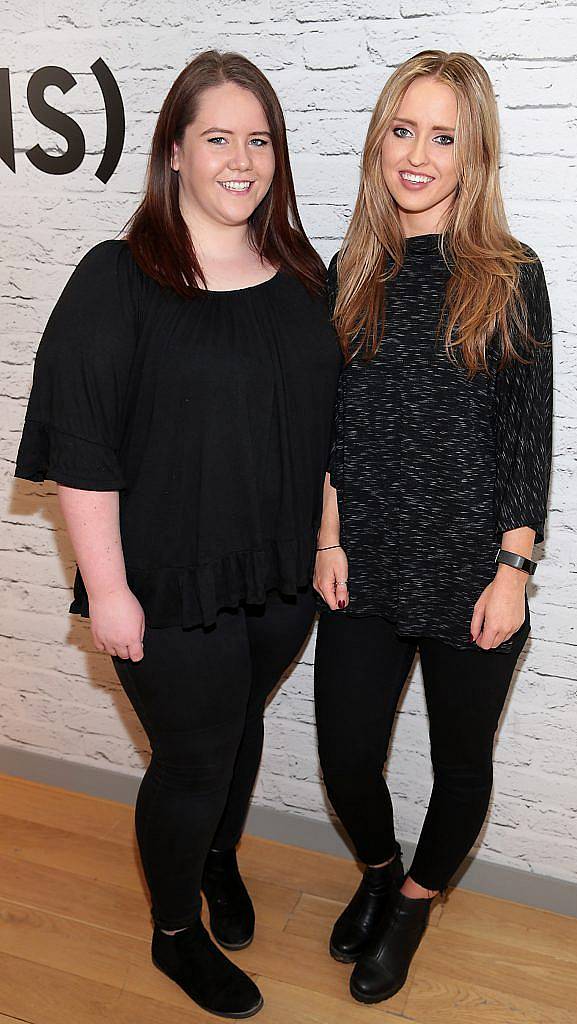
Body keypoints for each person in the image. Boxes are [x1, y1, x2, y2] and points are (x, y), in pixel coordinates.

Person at [14, 50, 341, 1019]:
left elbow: (326, 428)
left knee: (238, 732)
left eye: (258, 139)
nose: (241, 159)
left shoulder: (296, 271)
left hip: (278, 574)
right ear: (173, 153)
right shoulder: (116, 278)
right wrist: (108, 589)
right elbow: (82, 449)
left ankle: (218, 859)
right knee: (193, 756)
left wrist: (325, 542)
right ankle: (173, 931)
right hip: (166, 580)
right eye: (217, 139)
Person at [313, 50, 553, 1005]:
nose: (417, 154)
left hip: (471, 573)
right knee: (343, 756)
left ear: (473, 152)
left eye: (442, 136)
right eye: (402, 130)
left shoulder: (508, 274)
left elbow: (529, 438)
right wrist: (328, 540)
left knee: (460, 766)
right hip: (363, 565)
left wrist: (513, 569)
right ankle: (376, 868)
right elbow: (333, 430)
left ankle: (412, 902)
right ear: (380, 141)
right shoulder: (351, 271)